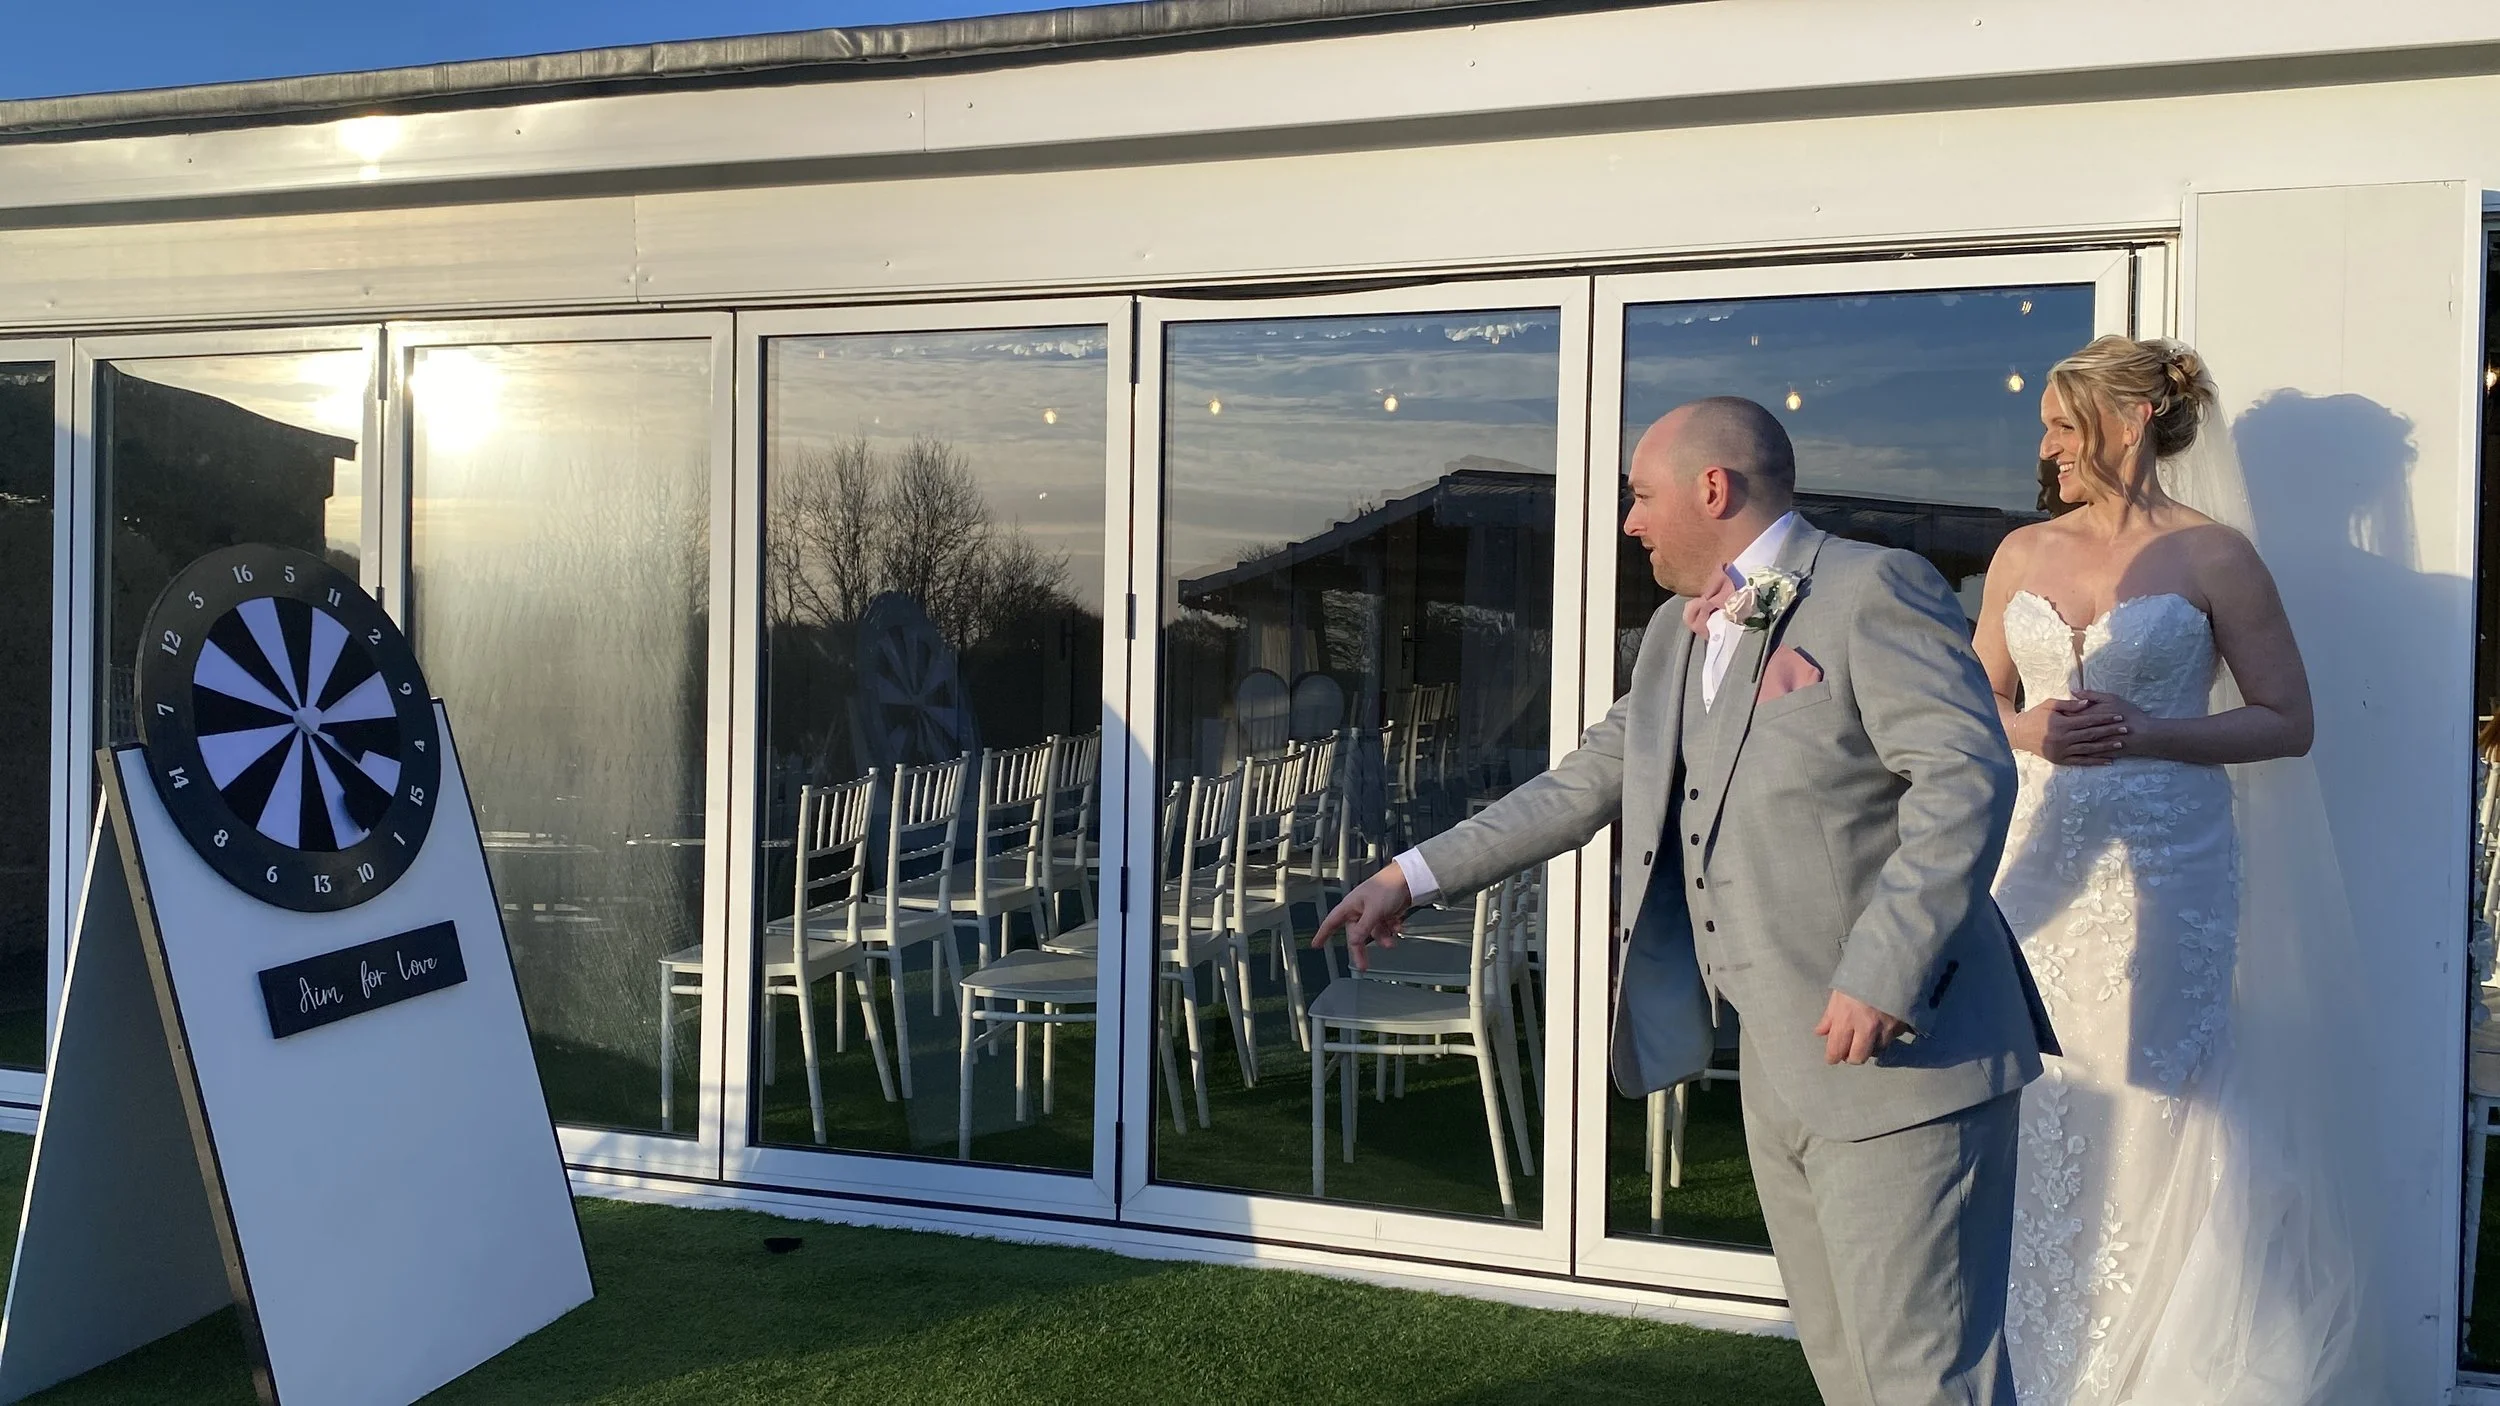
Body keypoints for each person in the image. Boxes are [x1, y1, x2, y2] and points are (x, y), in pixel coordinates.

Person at [1319, 396, 2058, 1406]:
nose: (1630, 521)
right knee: (1848, 1371)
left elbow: (1965, 779)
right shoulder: (1674, 632)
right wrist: (1409, 876)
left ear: (1712, 488)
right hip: (1777, 1063)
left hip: (1910, 1055)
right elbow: (1578, 784)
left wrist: (1884, 968)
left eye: (1639, 495)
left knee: (1926, 1380)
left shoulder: (1874, 585)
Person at [1978, 335, 2374, 1404]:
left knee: (2160, 1093)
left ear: (2131, 418)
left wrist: (2148, 730)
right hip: (2038, 865)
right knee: (2040, 1090)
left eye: (2062, 423)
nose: (2045, 444)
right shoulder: (2020, 553)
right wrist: (2033, 736)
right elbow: (1973, 713)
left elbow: (2287, 720)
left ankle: (2145, 1372)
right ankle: (2020, 1357)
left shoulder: (2216, 556)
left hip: (2172, 861)